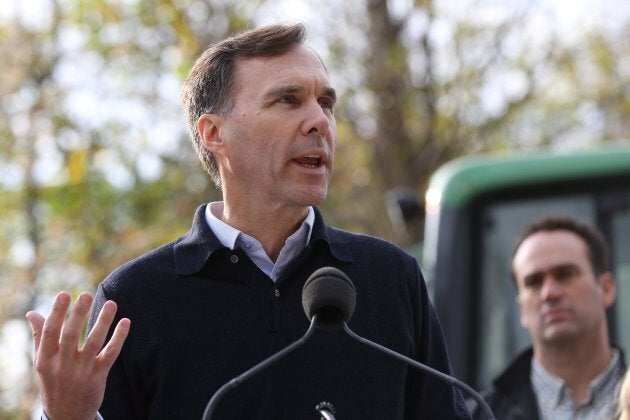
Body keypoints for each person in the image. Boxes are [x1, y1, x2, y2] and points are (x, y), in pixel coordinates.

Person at [25, 23, 471, 419]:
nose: (319, 121)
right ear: (214, 133)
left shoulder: (391, 278)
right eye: (288, 100)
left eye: (326, 103)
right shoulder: (134, 300)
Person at [479, 216, 626, 419]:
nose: (549, 293)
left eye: (565, 274)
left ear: (606, 288)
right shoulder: (479, 415)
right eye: (533, 282)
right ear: (521, 308)